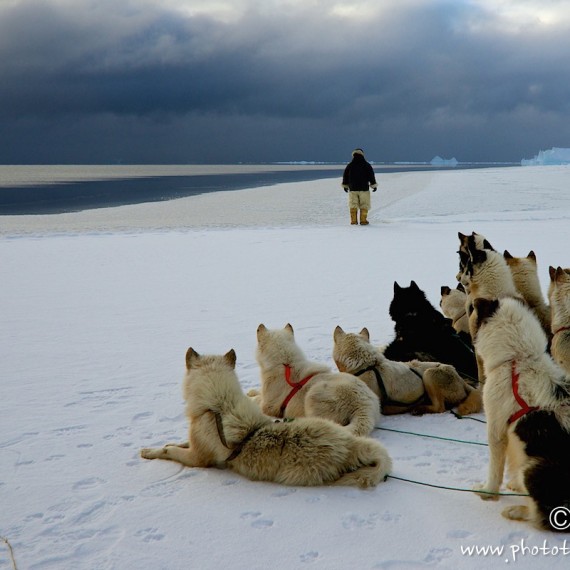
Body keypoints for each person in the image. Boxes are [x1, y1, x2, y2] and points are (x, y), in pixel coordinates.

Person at [342, 148, 377, 225]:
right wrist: (373, 185)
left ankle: (353, 221)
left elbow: (345, 176)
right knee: (364, 204)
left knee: (353, 204)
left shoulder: (350, 165)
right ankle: (363, 220)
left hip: (353, 188)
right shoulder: (367, 165)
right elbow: (371, 176)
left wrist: (345, 185)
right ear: (362, 155)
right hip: (364, 188)